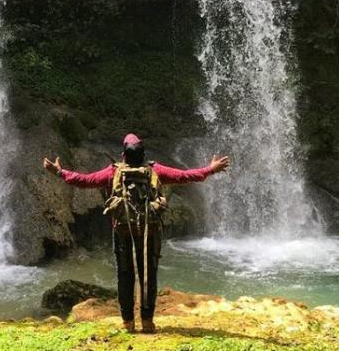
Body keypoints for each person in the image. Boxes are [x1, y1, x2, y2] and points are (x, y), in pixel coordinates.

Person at [42, 133, 230, 334]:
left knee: (125, 276)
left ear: (123, 155)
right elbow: (185, 176)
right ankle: (147, 322)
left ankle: (127, 322)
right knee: (148, 274)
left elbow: (85, 181)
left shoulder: (113, 172)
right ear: (143, 155)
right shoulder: (155, 170)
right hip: (150, 231)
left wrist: (60, 172)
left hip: (122, 231)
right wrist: (210, 170)